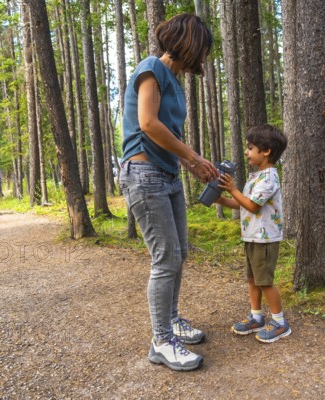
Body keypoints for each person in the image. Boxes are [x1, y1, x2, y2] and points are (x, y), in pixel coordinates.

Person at [119, 13, 218, 372]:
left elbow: (166, 133)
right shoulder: (151, 68)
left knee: (180, 253)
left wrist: (191, 165)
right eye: (201, 49)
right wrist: (193, 156)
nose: (202, 58)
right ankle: (161, 341)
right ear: (187, 43)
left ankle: (172, 321)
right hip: (143, 175)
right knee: (165, 259)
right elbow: (147, 123)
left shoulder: (174, 81)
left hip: (168, 175)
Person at [215, 124, 291, 343]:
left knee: (265, 281)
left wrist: (232, 189)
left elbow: (253, 206)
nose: (246, 152)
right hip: (252, 236)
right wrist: (221, 199)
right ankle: (256, 316)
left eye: (250, 148)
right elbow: (243, 203)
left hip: (265, 238)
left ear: (265, 151)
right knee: (252, 279)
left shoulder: (269, 178)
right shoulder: (256, 177)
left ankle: (279, 322)